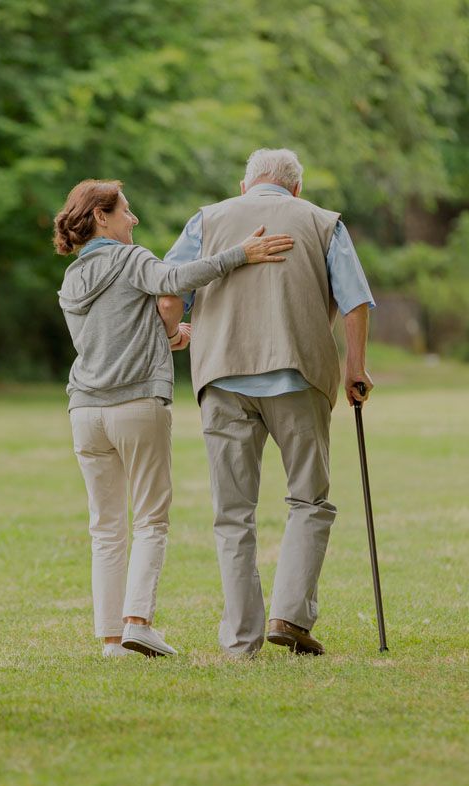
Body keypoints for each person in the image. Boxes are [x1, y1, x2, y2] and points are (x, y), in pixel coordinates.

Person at [54, 178, 294, 658]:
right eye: (125, 210)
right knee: (150, 519)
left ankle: (110, 639)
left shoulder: (72, 278)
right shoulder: (131, 258)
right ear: (101, 217)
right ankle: (137, 621)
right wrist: (239, 255)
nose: (133, 219)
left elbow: (111, 337)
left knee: (105, 526)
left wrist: (164, 337)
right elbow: (175, 282)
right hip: (136, 404)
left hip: (85, 410)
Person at [164, 148, 375, 657]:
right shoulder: (324, 222)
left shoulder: (206, 220)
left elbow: (169, 293)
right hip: (298, 376)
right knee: (309, 500)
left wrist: (174, 333)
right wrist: (355, 369)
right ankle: (289, 617)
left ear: (245, 186)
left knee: (233, 513)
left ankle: (241, 640)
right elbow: (356, 301)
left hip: (222, 377)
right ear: (295, 190)